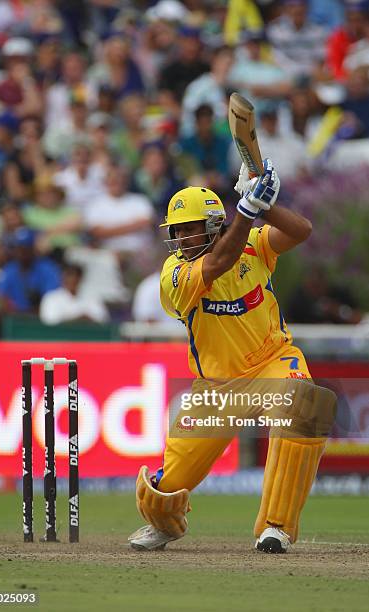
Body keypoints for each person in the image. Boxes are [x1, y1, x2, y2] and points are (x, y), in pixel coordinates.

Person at [128, 159, 337, 554]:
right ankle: (167, 525)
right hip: (218, 387)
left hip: (272, 360)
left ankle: (275, 526)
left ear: (213, 225)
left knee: (304, 405)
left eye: (192, 228)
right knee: (162, 492)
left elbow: (301, 231)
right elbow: (219, 262)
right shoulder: (174, 273)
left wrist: (264, 203)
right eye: (178, 230)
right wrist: (247, 208)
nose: (184, 237)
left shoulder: (255, 245)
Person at [40, 263, 109, 325]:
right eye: (67, 275)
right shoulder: (51, 297)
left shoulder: (92, 296)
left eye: (73, 275)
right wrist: (79, 319)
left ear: (80, 278)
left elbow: (102, 319)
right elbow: (50, 322)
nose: (69, 279)